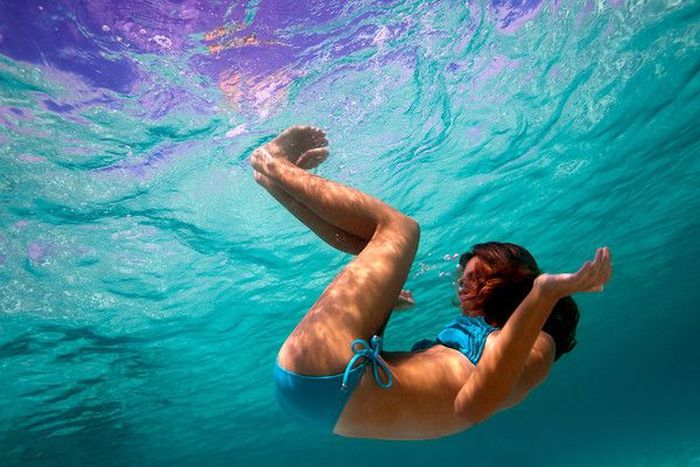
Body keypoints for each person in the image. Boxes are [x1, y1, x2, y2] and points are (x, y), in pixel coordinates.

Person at [250, 126, 612, 440]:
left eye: (476, 279)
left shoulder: (539, 344)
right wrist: (384, 304)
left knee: (401, 229)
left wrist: (546, 292)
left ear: (517, 281)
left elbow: (474, 406)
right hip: (320, 395)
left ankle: (274, 164)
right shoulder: (495, 335)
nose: (464, 289)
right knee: (375, 249)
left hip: (329, 380)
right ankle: (277, 180)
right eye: (468, 280)